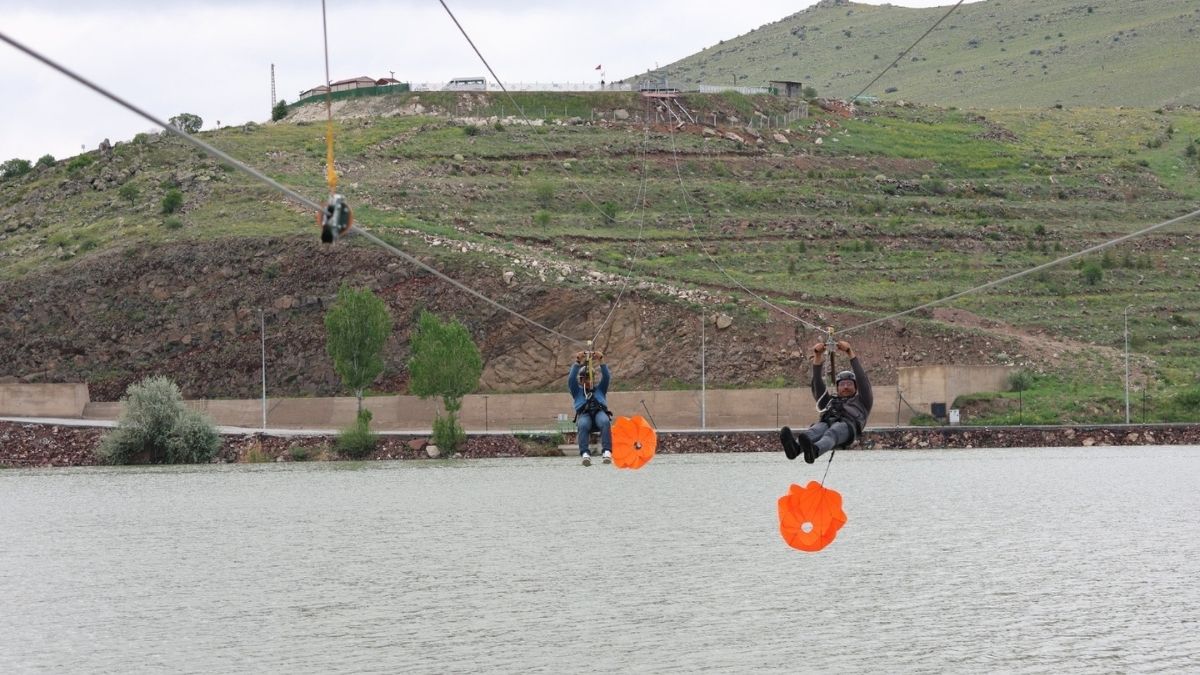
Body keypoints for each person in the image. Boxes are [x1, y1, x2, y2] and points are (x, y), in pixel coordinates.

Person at [780, 339, 873, 464]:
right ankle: (795, 449)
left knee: (832, 432)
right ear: (837, 387)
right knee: (815, 430)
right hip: (828, 421)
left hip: (848, 428)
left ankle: (815, 450)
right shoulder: (829, 402)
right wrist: (817, 356)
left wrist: (850, 352)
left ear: (856, 387)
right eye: (842, 384)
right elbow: (817, 383)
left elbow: (862, 379)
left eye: (849, 384)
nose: (845, 386)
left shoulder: (863, 401)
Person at [568, 351, 612, 466]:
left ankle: (607, 451)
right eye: (585, 379)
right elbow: (571, 379)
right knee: (582, 425)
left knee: (605, 421)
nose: (588, 381)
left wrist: (601, 360)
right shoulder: (577, 391)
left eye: (590, 378)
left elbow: (606, 377)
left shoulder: (600, 389)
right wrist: (578, 361)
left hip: (599, 413)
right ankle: (585, 454)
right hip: (585, 415)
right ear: (581, 380)